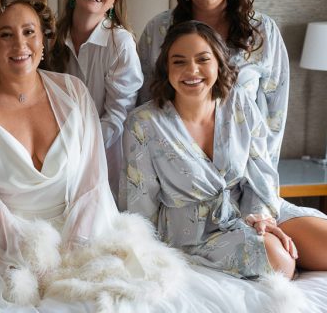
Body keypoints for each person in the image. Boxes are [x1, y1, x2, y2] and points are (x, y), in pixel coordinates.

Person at [0, 0, 255, 313]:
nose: (20, 44)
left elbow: (92, 183)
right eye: (6, 34)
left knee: (108, 299)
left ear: (44, 39)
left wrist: (73, 252)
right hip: (1, 242)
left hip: (82, 233)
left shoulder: (73, 92)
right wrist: (32, 253)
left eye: (29, 32)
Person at [124, 21, 327, 281]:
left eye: (202, 59)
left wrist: (262, 219)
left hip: (252, 205)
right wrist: (147, 254)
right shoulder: (143, 123)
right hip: (196, 229)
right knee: (280, 262)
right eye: (179, 61)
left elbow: (261, 171)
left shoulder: (239, 102)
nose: (192, 70)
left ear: (218, 63)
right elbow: (140, 202)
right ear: (166, 68)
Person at [137, 0, 288, 170]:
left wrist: (262, 180)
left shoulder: (262, 32)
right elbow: (144, 101)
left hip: (244, 170)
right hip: (174, 170)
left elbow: (274, 114)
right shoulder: (158, 30)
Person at [50, 0, 142, 200]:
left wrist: (80, 150)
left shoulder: (120, 43)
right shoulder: (50, 40)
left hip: (104, 155)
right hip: (53, 152)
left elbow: (119, 114)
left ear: (114, 0)